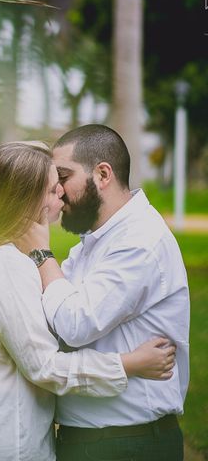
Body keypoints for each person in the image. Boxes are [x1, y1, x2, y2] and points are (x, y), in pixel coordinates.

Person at [0, 141, 176, 461]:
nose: (60, 193)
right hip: (4, 446)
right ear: (22, 201)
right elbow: (44, 365)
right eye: (51, 189)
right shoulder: (4, 265)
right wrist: (129, 364)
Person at [16, 125, 189, 461]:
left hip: (128, 444)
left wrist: (40, 253)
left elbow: (74, 323)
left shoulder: (140, 241)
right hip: (96, 442)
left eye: (63, 176)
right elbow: (50, 318)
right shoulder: (94, 241)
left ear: (103, 174)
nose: (58, 191)